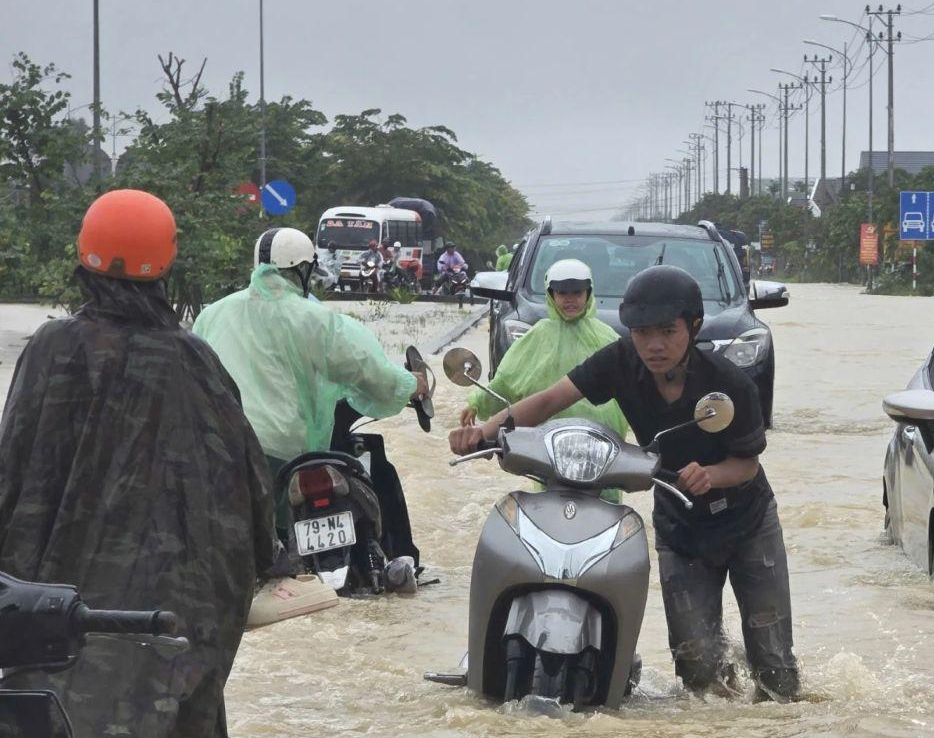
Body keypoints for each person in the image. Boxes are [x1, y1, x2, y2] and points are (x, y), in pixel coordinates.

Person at [0, 189, 281, 738]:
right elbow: (251, 487)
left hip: (59, 608)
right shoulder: (196, 361)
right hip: (170, 614)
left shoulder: (51, 348)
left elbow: (13, 471)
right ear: (167, 265)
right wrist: (269, 562)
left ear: (83, 259)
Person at [450, 265, 799, 702]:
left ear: (693, 327)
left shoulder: (730, 385)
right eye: (642, 332)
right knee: (696, 667)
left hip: (748, 522)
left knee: (775, 668)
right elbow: (551, 400)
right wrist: (484, 433)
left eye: (667, 332)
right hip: (680, 521)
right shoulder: (619, 361)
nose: (654, 345)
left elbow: (747, 464)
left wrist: (711, 474)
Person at [193, 228, 427, 544]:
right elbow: (367, 371)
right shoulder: (314, 318)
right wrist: (410, 385)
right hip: (284, 454)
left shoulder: (211, 314)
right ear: (304, 270)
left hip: (222, 452)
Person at [459, 258, 627, 440]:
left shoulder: (607, 337)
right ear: (551, 295)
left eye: (577, 292)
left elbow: (632, 381)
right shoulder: (537, 335)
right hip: (544, 441)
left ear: (589, 293)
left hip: (600, 440)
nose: (570, 299)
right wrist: (477, 403)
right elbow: (507, 380)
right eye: (562, 293)